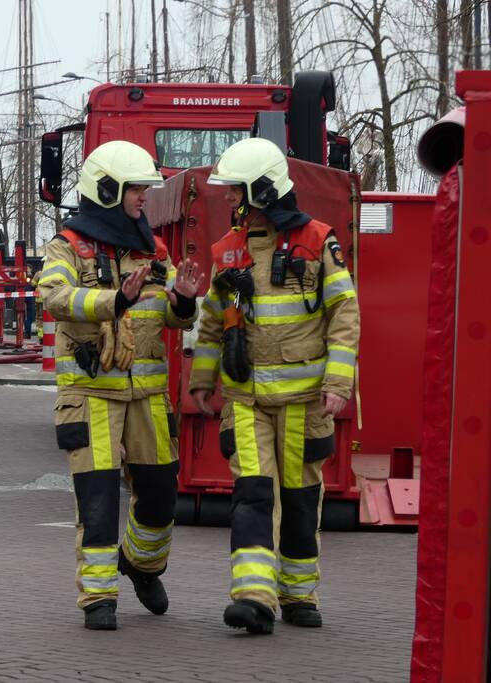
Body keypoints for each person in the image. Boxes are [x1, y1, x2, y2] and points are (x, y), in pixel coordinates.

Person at [188, 137, 360, 634]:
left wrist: (339, 381)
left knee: (302, 496)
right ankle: (253, 596)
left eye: (233, 190)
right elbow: (215, 323)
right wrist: (203, 379)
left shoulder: (317, 241)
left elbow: (344, 315)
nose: (226, 199)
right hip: (246, 401)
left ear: (259, 191)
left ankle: (299, 594)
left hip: (305, 401)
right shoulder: (228, 251)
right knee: (252, 493)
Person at [37, 140, 203, 630]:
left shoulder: (153, 249)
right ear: (107, 190)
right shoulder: (66, 246)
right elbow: (54, 296)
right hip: (91, 396)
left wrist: (186, 301)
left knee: (158, 495)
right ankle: (98, 598)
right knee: (99, 497)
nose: (143, 200)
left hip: (148, 399)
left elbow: (171, 317)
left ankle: (142, 565)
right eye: (136, 190)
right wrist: (113, 300)